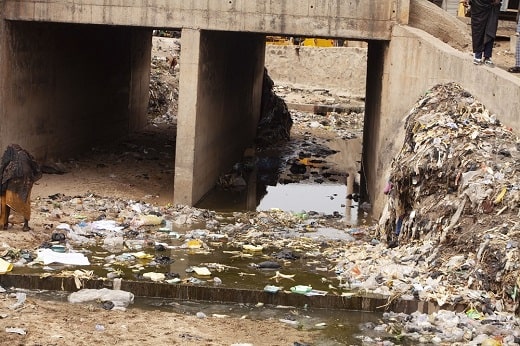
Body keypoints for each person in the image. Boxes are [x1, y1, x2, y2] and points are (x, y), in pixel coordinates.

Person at [0, 144, 42, 231]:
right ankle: (26, 225)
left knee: (8, 202)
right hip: (27, 182)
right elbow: (36, 168)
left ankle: (5, 224)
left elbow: (3, 169)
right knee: (25, 202)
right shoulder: (26, 155)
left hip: (12, 183)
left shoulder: (10, 159)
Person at [464, 0, 502, 66]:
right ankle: (478, 56)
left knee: (490, 30)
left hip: (492, 7)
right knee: (478, 32)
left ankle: (487, 57)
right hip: (478, 7)